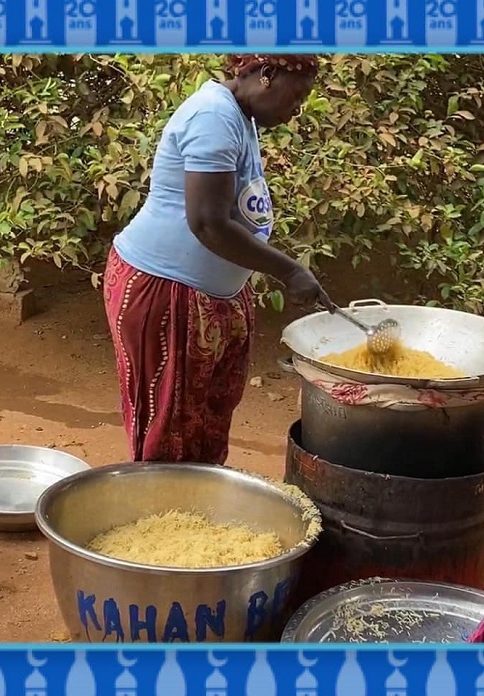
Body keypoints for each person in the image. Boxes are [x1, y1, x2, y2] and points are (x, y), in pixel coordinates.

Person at [104, 53, 332, 464]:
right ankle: (163, 521)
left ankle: (197, 515)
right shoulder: (213, 115)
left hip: (210, 294)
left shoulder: (241, 116)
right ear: (267, 75)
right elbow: (208, 223)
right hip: (166, 291)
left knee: (206, 421)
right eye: (296, 96)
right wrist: (290, 270)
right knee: (170, 429)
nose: (297, 109)